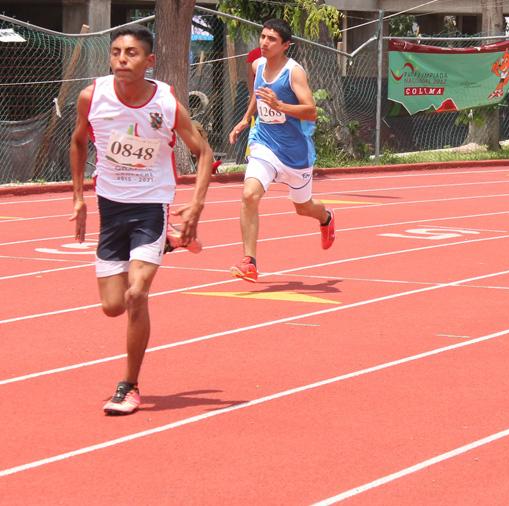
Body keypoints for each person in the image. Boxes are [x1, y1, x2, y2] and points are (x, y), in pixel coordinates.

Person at [69, 25, 214, 415]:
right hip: (109, 205)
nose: (121, 59)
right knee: (112, 306)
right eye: (116, 52)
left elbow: (203, 152)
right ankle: (169, 241)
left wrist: (196, 204)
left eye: (131, 53)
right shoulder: (92, 96)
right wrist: (79, 198)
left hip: (152, 204)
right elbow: (79, 141)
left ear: (149, 61)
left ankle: (129, 385)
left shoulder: (165, 103)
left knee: (136, 295)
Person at [228, 19, 334, 282]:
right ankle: (249, 262)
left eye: (271, 39)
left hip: (295, 153)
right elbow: (258, 93)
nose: (264, 42)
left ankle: (326, 217)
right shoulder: (257, 65)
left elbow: (311, 111)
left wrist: (280, 106)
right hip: (264, 143)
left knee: (303, 208)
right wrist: (245, 119)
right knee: (249, 195)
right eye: (263, 36)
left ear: (286, 45)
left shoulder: (294, 72)